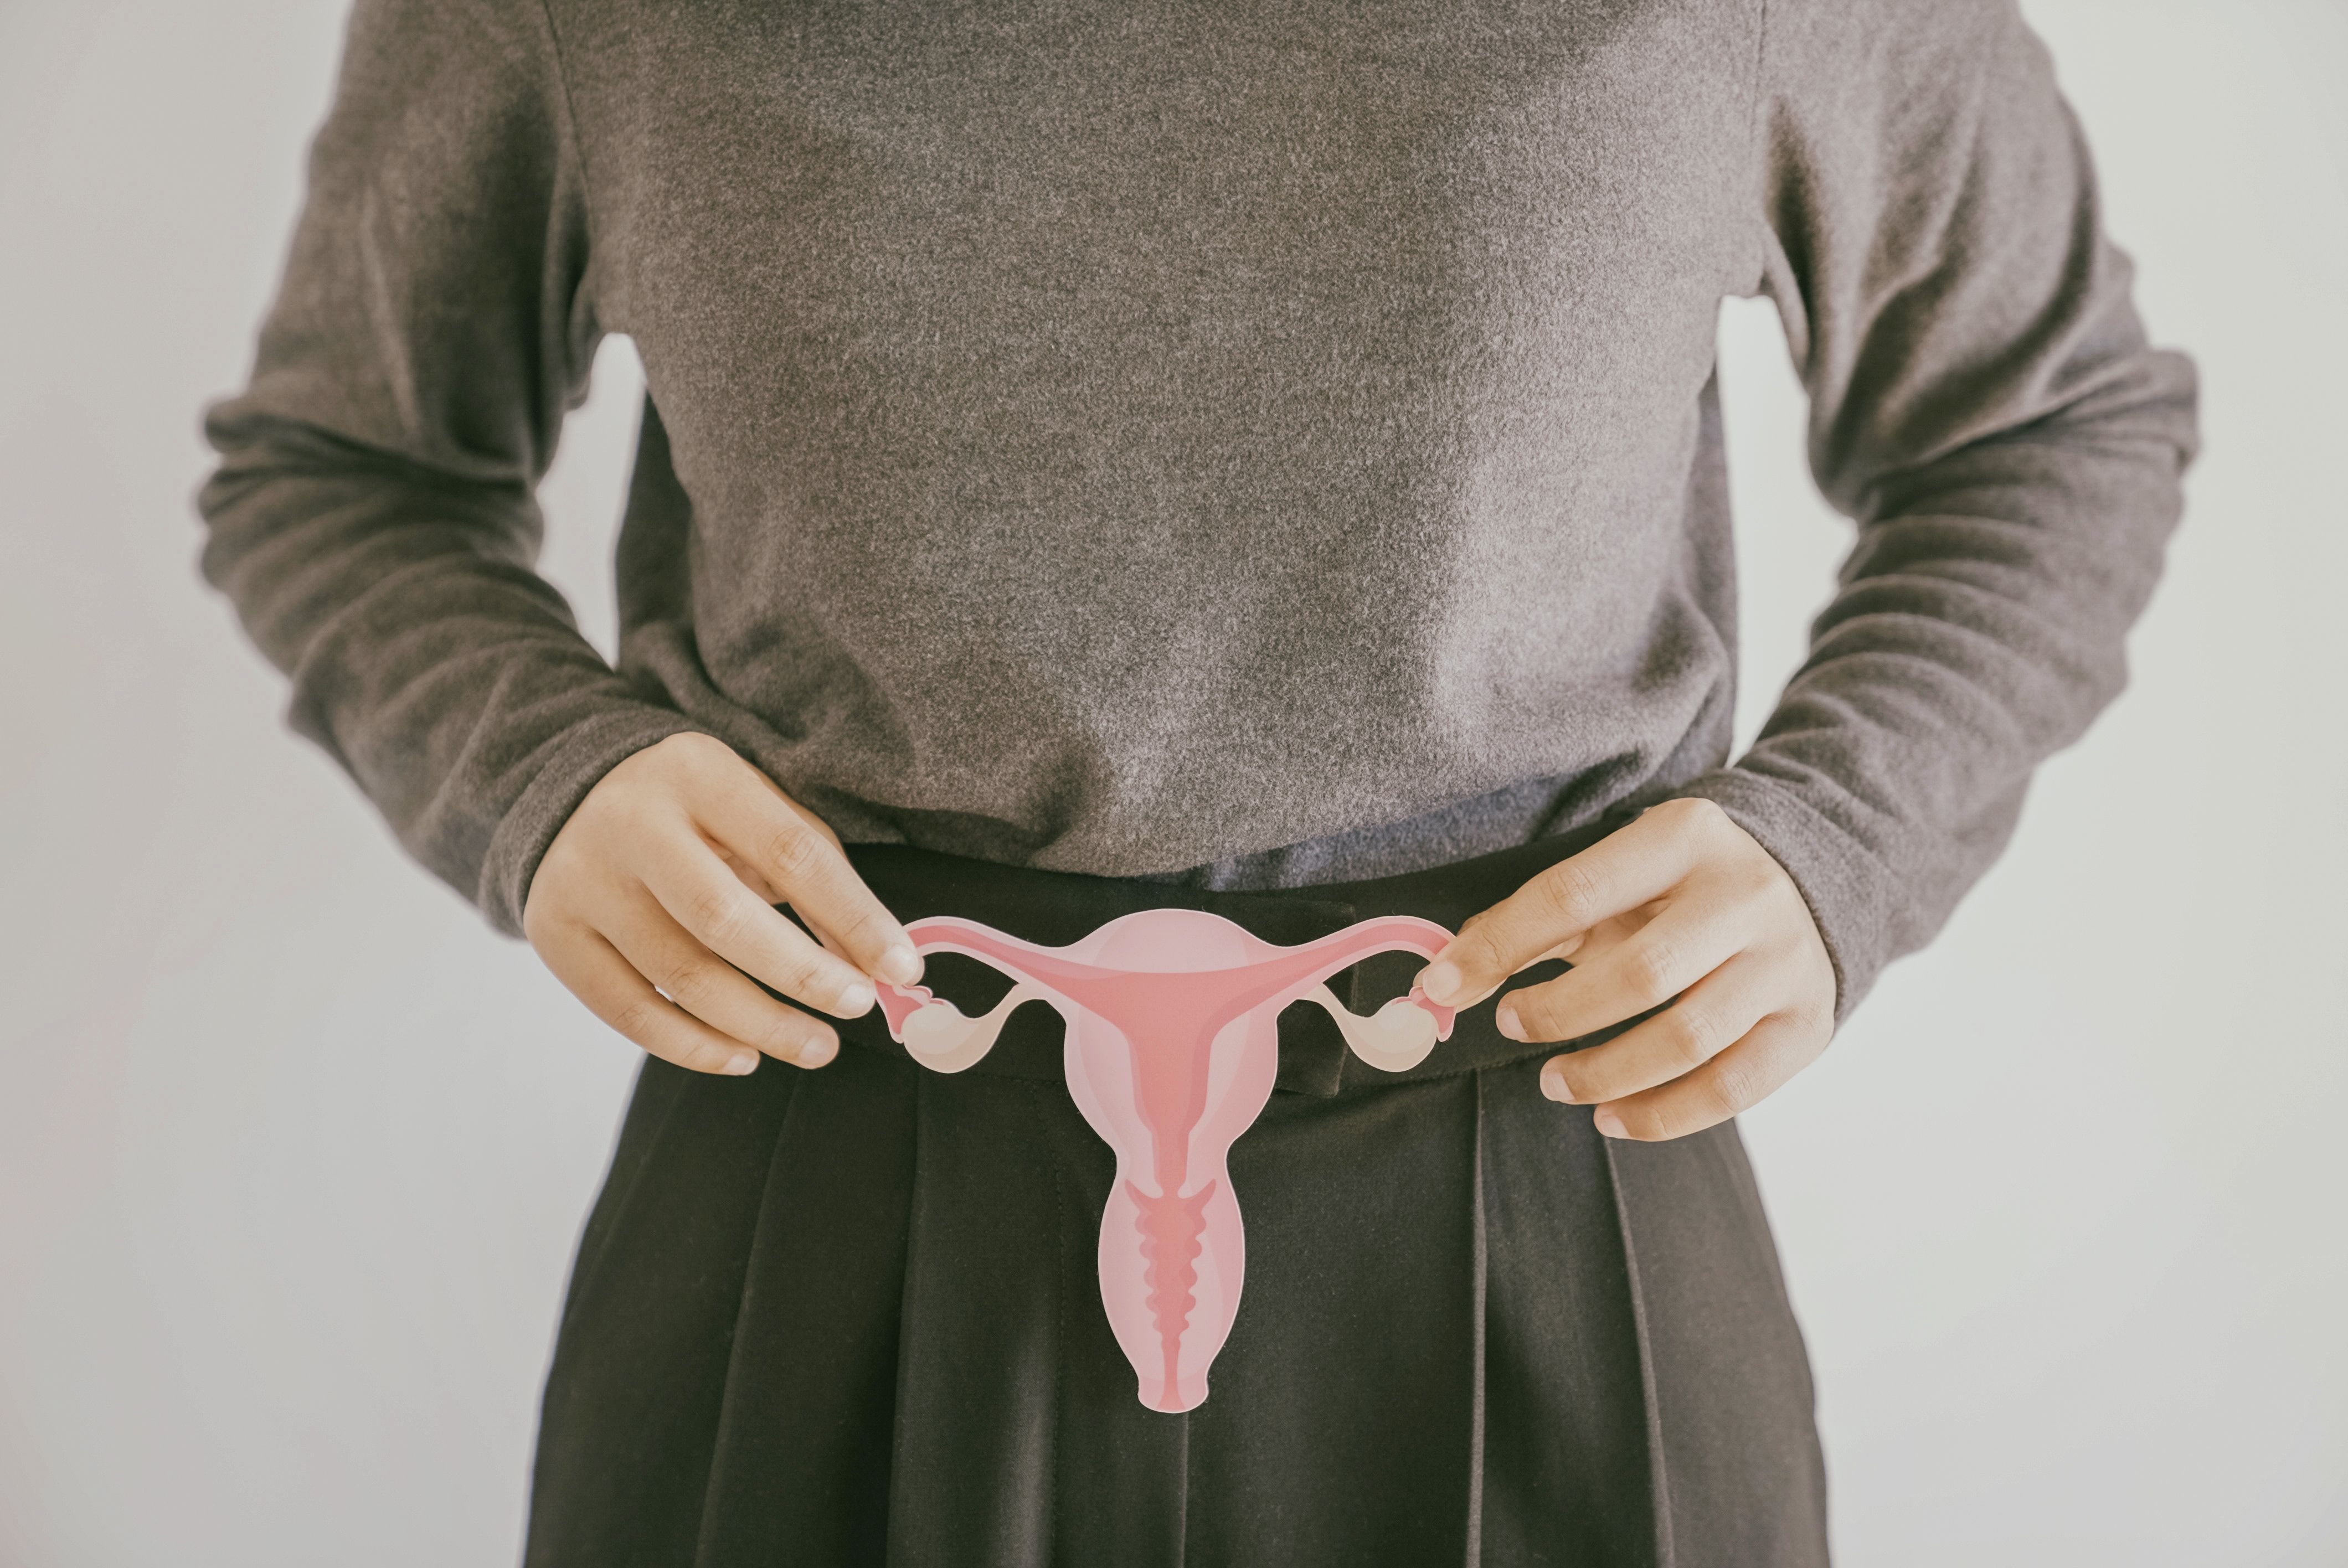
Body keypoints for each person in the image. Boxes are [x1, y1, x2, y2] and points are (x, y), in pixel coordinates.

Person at [195, 0, 2197, 1561]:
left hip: (1544, 1202)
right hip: (826, 1209)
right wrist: (536, 775)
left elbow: (2053, 423)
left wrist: (1842, 832)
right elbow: (343, 467)